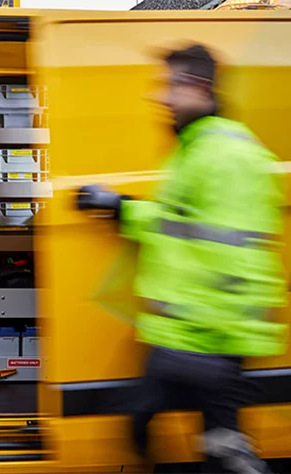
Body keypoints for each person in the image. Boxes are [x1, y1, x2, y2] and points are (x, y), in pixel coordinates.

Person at [75, 44, 288, 473]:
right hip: (193, 340)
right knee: (211, 444)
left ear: (200, 88)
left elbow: (236, 254)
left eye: (171, 85)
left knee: (144, 426)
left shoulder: (223, 156)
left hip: (199, 342)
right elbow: (178, 224)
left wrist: (199, 343)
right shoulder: (198, 148)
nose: (161, 97)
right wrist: (119, 206)